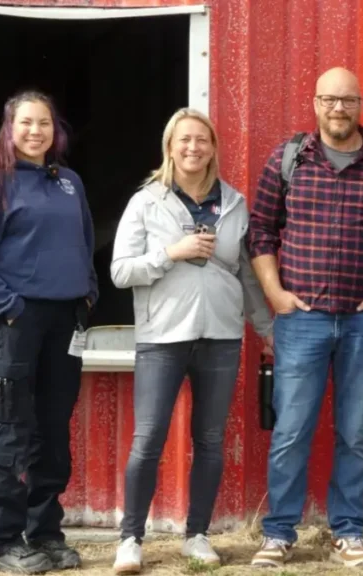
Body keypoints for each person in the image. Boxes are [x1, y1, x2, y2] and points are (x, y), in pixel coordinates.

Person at [245, 67, 363, 569]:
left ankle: (349, 531)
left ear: (361, 103)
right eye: (329, 100)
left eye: (347, 100)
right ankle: (279, 533)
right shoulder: (288, 160)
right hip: (301, 320)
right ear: (315, 102)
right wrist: (275, 293)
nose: (338, 109)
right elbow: (260, 231)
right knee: (291, 430)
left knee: (355, 431)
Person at [108, 108, 274, 574]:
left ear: (213, 147)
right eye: (184, 140)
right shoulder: (147, 201)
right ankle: (131, 539)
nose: (193, 148)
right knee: (148, 439)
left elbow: (245, 274)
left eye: (202, 140)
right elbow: (121, 271)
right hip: (163, 336)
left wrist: (267, 331)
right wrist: (170, 253)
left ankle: (197, 535)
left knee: (210, 439)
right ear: (170, 146)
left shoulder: (234, 202)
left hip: (220, 336)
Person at [0, 89, 98, 573]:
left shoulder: (69, 183)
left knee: (53, 433)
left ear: (56, 131)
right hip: (17, 322)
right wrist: (9, 308)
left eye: (44, 123)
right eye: (26, 123)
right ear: (10, 130)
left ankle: (44, 533)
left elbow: (83, 245)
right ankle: (1, 542)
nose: (36, 132)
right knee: (12, 431)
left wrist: (87, 294)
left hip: (64, 322)